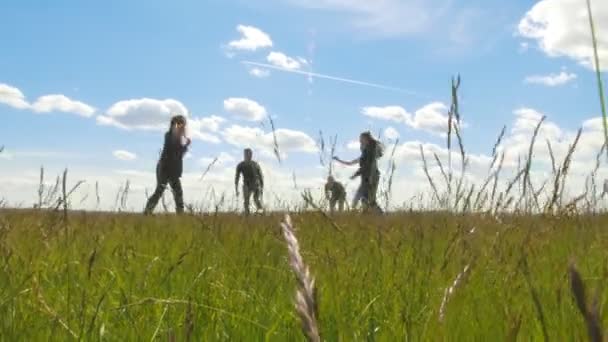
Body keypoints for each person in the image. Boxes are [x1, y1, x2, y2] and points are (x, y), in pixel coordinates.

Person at [144, 115, 191, 215]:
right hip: (164, 168)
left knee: (178, 193)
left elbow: (179, 155)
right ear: (174, 124)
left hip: (173, 170)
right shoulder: (169, 135)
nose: (182, 126)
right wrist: (185, 145)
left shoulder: (180, 137)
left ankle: (180, 215)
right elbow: (174, 150)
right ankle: (147, 212)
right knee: (159, 191)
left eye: (183, 124)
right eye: (180, 123)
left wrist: (185, 146)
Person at [333, 131, 383, 213]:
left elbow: (368, 166)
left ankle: (380, 216)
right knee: (362, 199)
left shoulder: (370, 153)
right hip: (366, 178)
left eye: (361, 138)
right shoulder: (364, 154)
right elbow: (351, 163)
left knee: (368, 200)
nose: (360, 141)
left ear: (366, 139)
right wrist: (338, 160)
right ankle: (367, 216)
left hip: (371, 177)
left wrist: (356, 174)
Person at [235, 148, 264, 215]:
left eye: (250, 154)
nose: (249, 156)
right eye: (247, 154)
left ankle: (261, 213)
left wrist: (261, 186)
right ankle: (247, 215)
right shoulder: (241, 165)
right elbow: (237, 177)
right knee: (246, 201)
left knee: (256, 199)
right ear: (244, 155)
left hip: (255, 184)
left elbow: (260, 176)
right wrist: (236, 189)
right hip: (246, 184)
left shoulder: (255, 164)